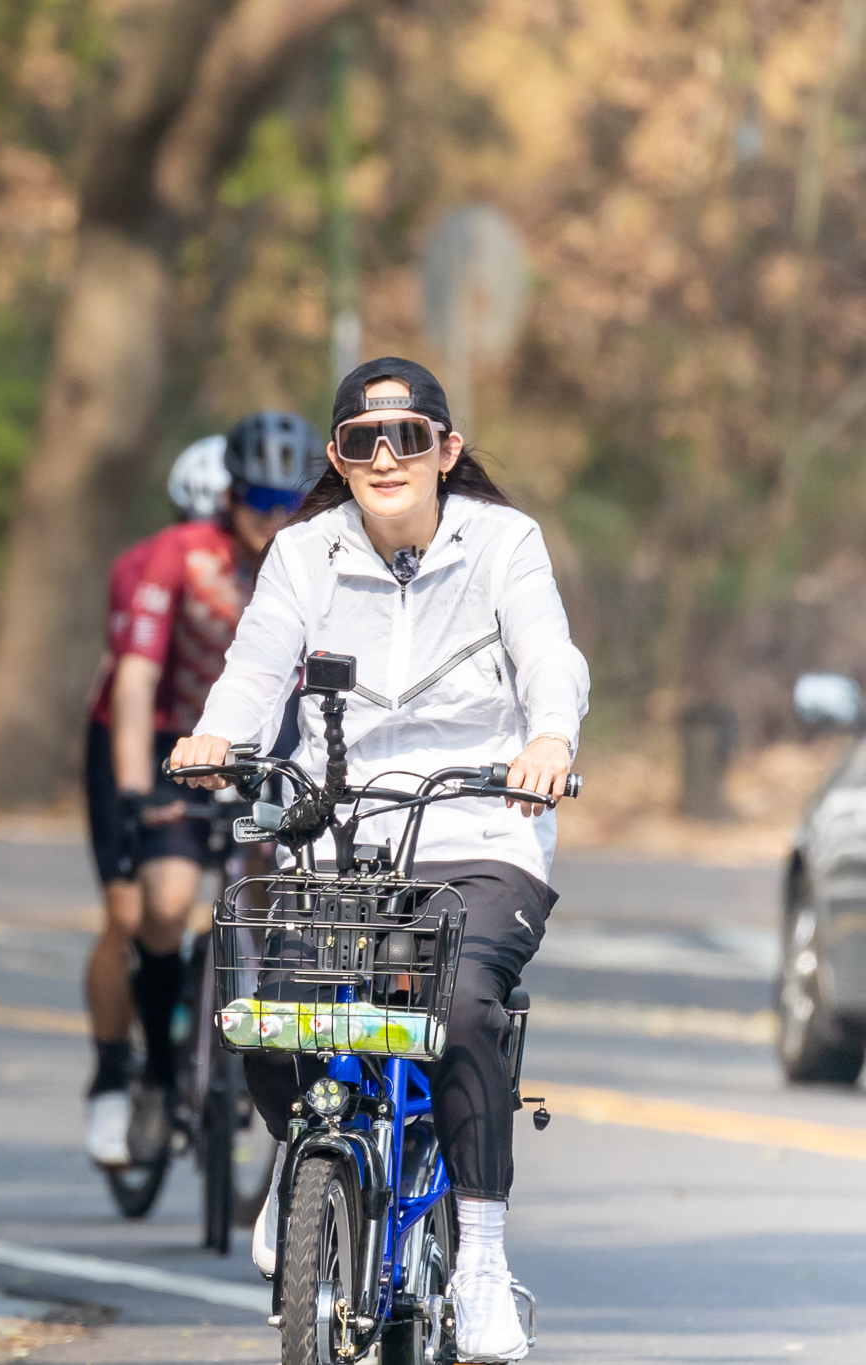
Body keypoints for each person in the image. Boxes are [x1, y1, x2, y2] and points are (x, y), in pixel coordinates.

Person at [170, 358, 588, 1363]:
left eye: (409, 437)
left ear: (445, 450)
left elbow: (548, 658)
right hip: (336, 837)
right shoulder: (303, 553)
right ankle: (300, 1158)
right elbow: (256, 663)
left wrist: (549, 742)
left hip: (481, 832)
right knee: (265, 1013)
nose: (386, 456)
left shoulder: (503, 543)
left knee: (460, 1012)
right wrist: (215, 738)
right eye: (363, 440)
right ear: (337, 457)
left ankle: (481, 1261)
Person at [81, 420, 321, 1165]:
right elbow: (136, 678)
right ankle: (144, 1072)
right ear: (231, 495)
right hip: (160, 739)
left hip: (263, 745)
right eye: (258, 499)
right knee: (155, 904)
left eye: (289, 501)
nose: (271, 516)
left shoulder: (316, 556)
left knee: (279, 884)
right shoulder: (179, 556)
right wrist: (131, 795)